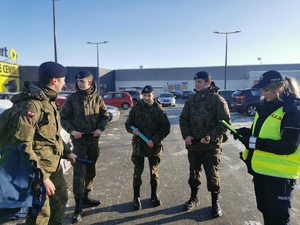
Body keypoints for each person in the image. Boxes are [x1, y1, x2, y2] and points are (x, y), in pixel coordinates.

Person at [4, 61, 77, 225]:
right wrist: (42, 178)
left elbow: (52, 135)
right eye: (63, 79)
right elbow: (21, 145)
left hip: (52, 164)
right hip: (36, 169)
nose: (64, 82)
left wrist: (67, 152)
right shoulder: (30, 105)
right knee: (39, 214)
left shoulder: (48, 100)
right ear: (54, 80)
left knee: (60, 199)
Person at [232, 70, 300, 225]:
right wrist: (246, 132)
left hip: (280, 177)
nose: (263, 93)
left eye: (267, 89)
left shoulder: (292, 110)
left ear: (279, 88)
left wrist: (253, 142)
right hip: (261, 172)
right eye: (262, 89)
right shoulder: (265, 107)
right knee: (265, 210)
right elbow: (263, 133)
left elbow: (289, 146)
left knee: (279, 218)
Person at [60, 70, 109, 224]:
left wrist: (100, 128)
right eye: (78, 81)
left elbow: (105, 116)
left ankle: (86, 196)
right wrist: (72, 131)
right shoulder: (72, 98)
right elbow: (63, 117)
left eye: (83, 81)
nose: (80, 84)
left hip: (93, 141)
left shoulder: (97, 98)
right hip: (79, 142)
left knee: (91, 170)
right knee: (79, 173)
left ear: (90, 83)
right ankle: (78, 206)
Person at [179, 71, 230, 218]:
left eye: (199, 82)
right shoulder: (191, 100)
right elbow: (183, 119)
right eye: (195, 81)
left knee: (212, 175)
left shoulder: (217, 100)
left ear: (208, 83)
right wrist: (186, 135)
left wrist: (210, 136)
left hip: (211, 147)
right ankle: (194, 198)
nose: (196, 84)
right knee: (193, 173)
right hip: (194, 146)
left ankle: (215, 203)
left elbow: (225, 123)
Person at [125, 85, 170, 210]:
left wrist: (154, 140)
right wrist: (132, 130)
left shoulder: (158, 109)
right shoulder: (136, 108)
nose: (146, 98)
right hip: (139, 146)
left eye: (148, 95)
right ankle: (136, 197)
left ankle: (154, 195)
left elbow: (165, 127)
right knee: (137, 173)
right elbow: (129, 124)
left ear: (153, 95)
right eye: (144, 95)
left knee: (154, 173)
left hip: (153, 147)